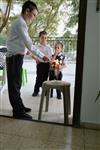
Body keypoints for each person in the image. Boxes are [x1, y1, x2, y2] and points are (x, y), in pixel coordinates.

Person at [6, 1, 49, 120]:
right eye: (34, 15)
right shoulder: (20, 23)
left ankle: (19, 107)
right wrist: (42, 56)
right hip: (14, 58)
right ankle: (18, 112)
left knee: (17, 84)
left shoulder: (22, 23)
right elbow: (29, 43)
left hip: (17, 57)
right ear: (27, 11)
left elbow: (23, 44)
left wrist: (29, 52)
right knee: (14, 85)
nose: (34, 18)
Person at [32, 31, 53, 96]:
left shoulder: (49, 47)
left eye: (45, 38)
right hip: (40, 64)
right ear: (39, 38)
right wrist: (36, 59)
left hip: (47, 64)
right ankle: (36, 90)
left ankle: (45, 91)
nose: (44, 39)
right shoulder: (36, 46)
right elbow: (32, 54)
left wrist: (50, 61)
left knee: (45, 77)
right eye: (42, 37)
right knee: (38, 77)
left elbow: (50, 57)